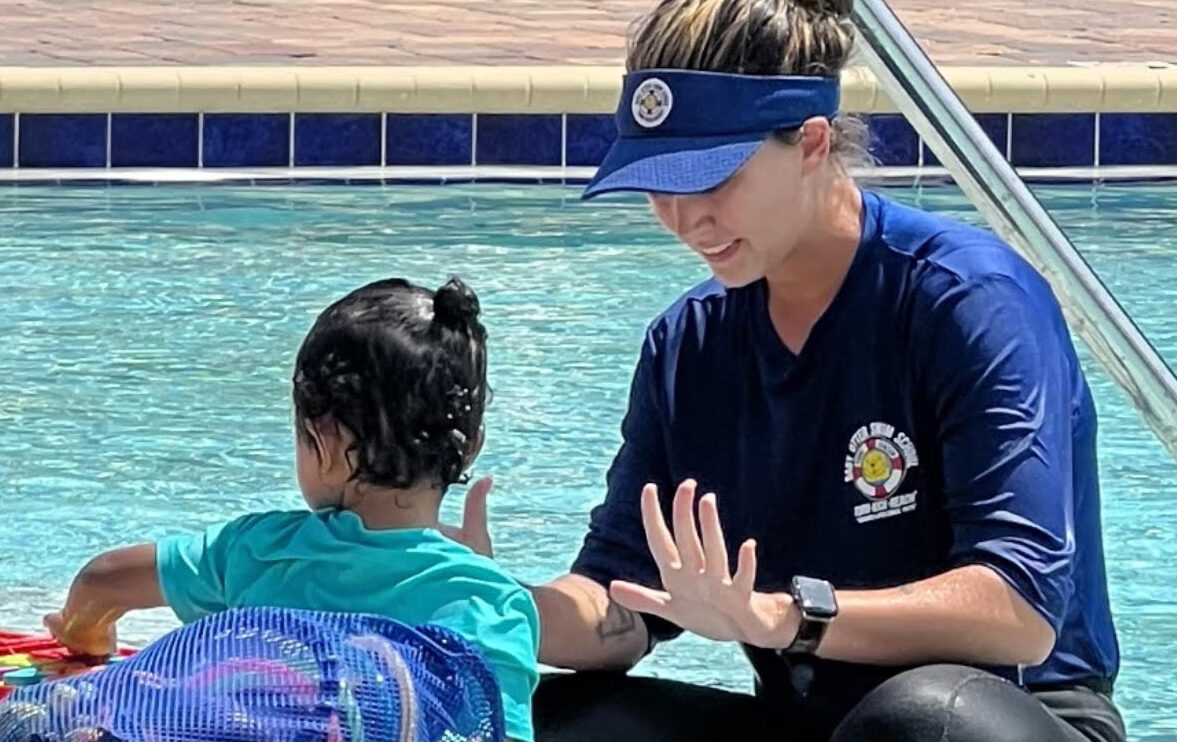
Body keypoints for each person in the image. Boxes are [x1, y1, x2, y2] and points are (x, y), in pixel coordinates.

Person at [443, 0, 1128, 740]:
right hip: (803, 721)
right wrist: (490, 603)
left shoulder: (965, 302)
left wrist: (786, 618)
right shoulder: (689, 344)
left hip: (1005, 718)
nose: (683, 218)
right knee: (556, 719)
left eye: (710, 179)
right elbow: (624, 604)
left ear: (809, 141)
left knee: (922, 719)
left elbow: (1020, 614)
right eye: (656, 184)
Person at [43, 277, 541, 742]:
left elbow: (103, 578)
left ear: (321, 438)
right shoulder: (493, 606)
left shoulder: (259, 551)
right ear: (471, 445)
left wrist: (85, 633)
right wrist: (479, 570)